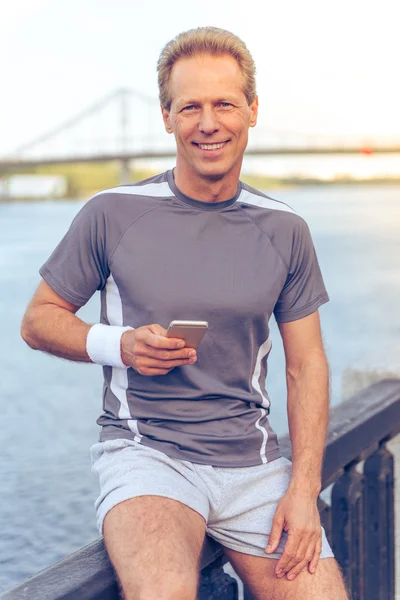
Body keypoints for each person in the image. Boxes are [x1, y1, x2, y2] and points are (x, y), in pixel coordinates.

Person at [21, 26, 349, 600]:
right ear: (167, 118)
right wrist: (119, 344)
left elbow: (306, 366)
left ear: (252, 110)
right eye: (189, 106)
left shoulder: (286, 229)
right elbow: (39, 319)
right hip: (147, 454)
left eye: (224, 103)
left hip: (255, 464)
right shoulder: (111, 213)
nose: (208, 122)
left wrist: (303, 489)